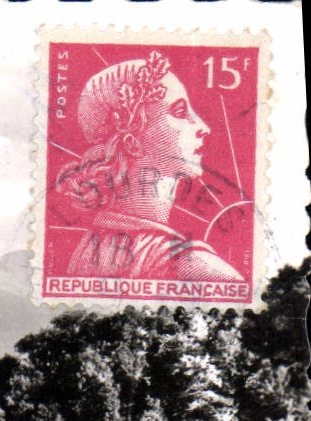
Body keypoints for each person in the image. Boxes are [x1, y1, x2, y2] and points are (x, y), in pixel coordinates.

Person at [57, 51, 245, 283]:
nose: (203, 127)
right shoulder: (197, 267)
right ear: (132, 143)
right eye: (180, 112)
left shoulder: (85, 252)